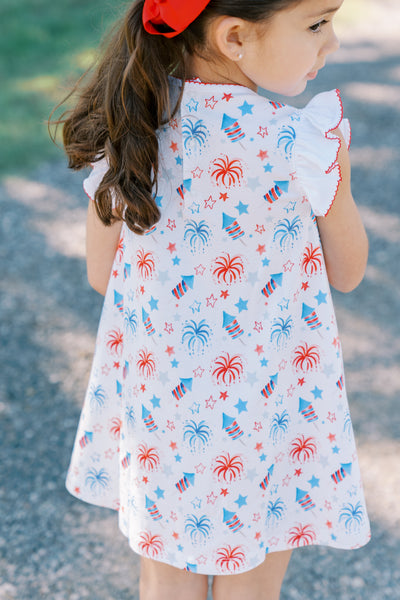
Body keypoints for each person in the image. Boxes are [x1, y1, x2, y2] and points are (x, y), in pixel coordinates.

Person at [58, 0, 371, 598]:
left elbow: (104, 276)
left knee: (165, 587)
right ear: (234, 37)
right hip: (271, 413)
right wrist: (336, 184)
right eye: (316, 23)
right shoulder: (303, 142)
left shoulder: (131, 126)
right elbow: (349, 271)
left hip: (162, 423)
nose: (331, 43)